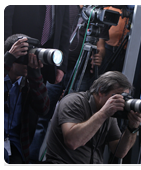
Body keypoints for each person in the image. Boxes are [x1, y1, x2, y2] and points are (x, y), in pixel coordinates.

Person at [28, 5, 109, 164]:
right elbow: (61, 33)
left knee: (73, 117)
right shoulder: (67, 6)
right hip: (57, 67)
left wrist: (100, 55)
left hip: (83, 72)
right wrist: (59, 67)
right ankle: (30, 160)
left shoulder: (98, 11)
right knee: (43, 113)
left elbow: (101, 46)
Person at [43, 71, 141, 166]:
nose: (121, 101)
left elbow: (119, 152)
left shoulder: (110, 114)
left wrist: (132, 128)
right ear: (101, 91)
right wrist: (103, 113)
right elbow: (72, 142)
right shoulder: (73, 102)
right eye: (118, 96)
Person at [4, 34, 50, 165]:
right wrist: (8, 58)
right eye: (25, 56)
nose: (28, 62)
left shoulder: (28, 83)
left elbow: (43, 109)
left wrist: (35, 74)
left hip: (14, 144)